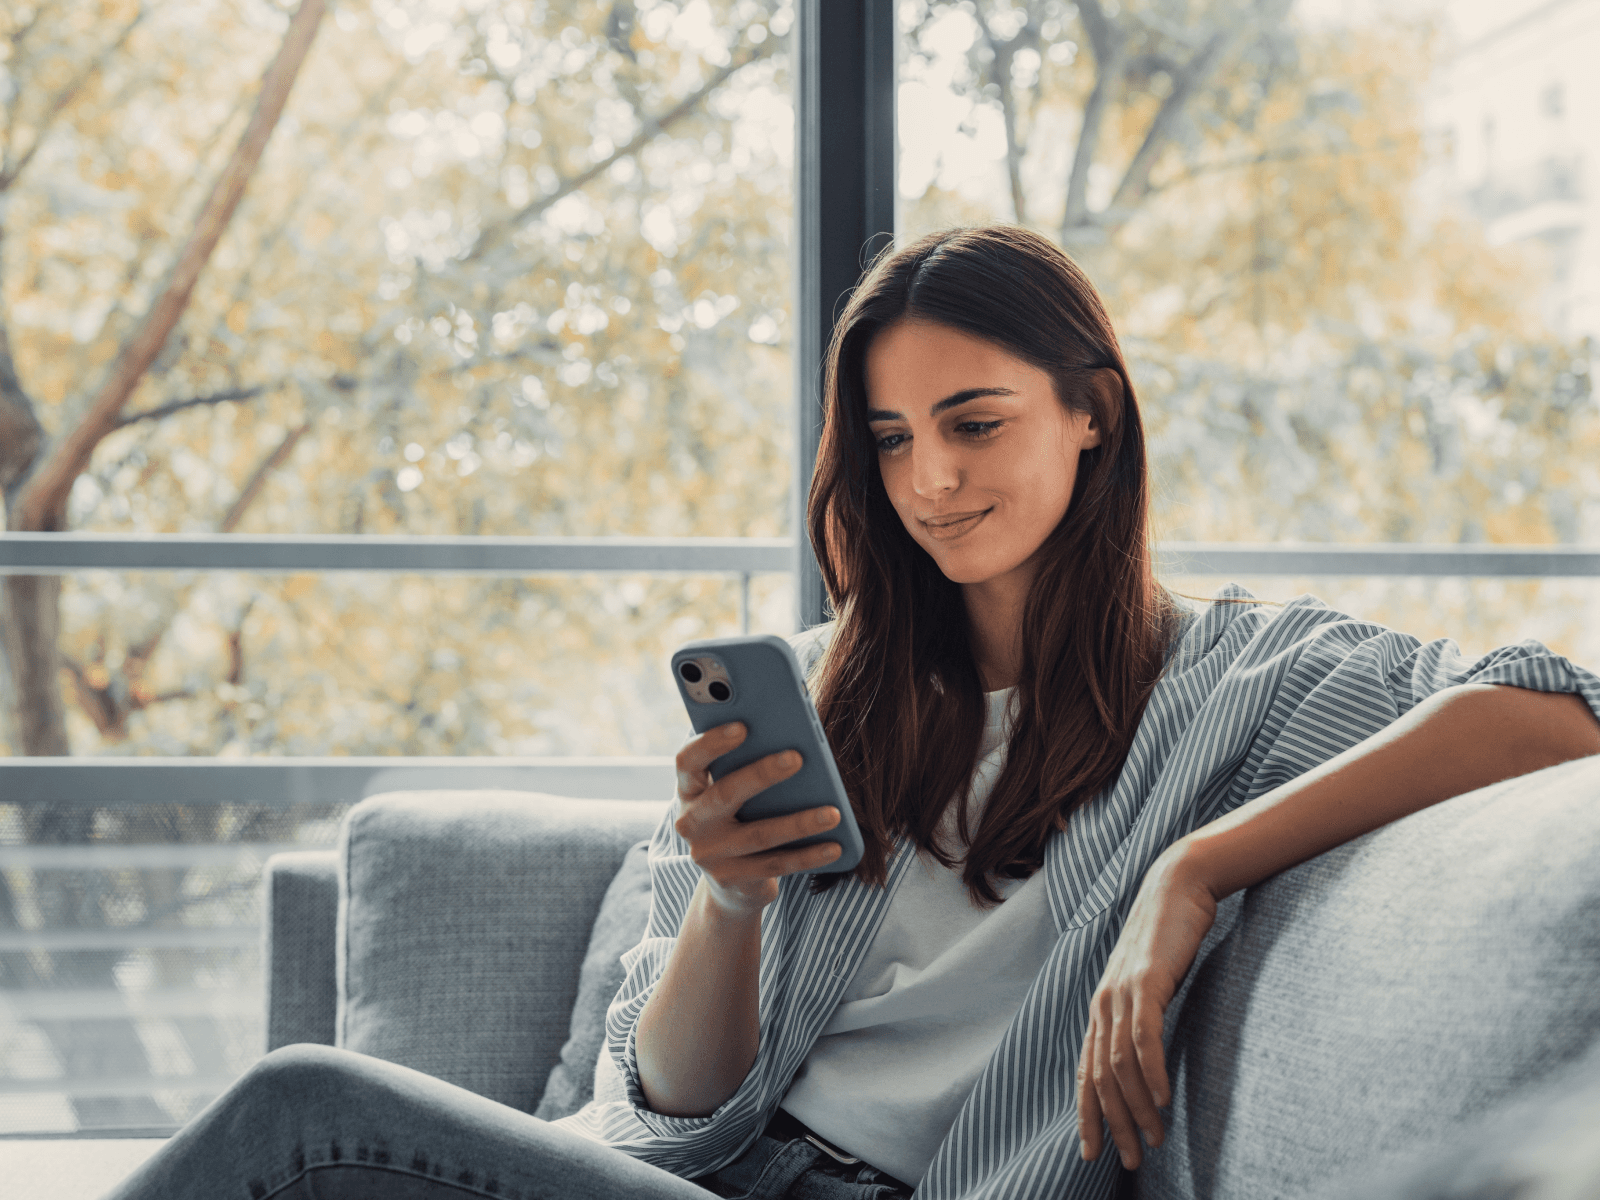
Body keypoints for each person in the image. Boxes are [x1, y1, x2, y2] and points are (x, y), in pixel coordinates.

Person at [103, 225, 1600, 1200]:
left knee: (302, 1116)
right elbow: (675, 1113)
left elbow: (1559, 705)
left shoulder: (1243, 683)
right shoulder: (834, 686)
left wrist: (1190, 872)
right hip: (704, 1179)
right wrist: (732, 905)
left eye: (976, 423)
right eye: (890, 441)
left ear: (1096, 411)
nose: (931, 481)